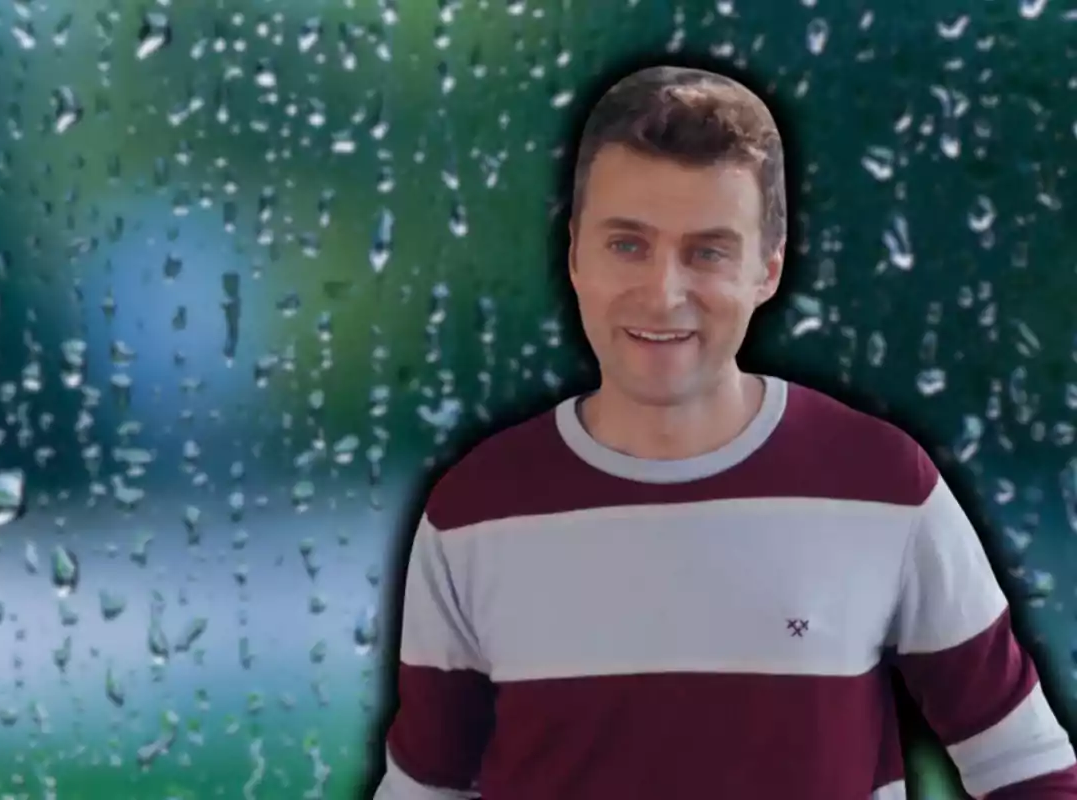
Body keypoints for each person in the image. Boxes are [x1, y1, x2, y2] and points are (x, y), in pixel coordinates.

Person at [371, 66, 1077, 799]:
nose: (664, 292)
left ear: (767, 268)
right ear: (575, 250)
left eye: (708, 251)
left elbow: (1028, 768)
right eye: (627, 245)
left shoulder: (886, 486)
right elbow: (424, 790)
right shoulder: (474, 511)